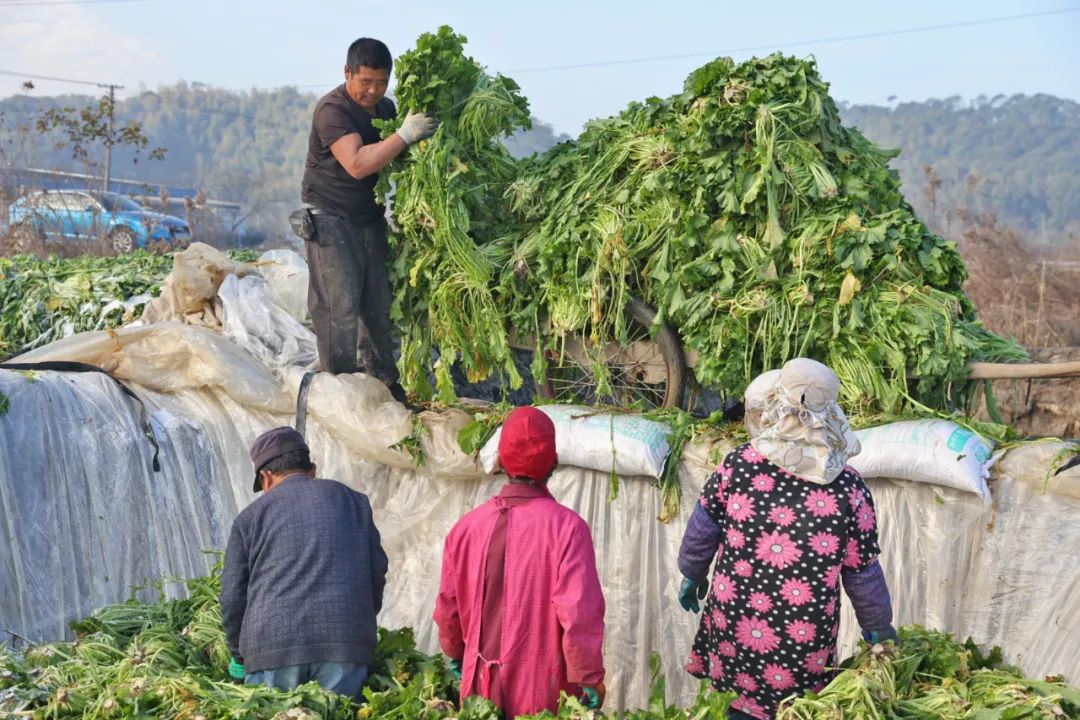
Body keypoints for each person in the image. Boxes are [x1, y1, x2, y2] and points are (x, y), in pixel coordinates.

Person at [677, 359, 895, 720]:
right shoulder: (847, 487)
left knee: (734, 706)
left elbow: (704, 524)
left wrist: (692, 572)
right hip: (801, 638)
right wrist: (878, 623)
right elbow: (862, 569)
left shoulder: (740, 465)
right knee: (794, 711)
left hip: (735, 624)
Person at [433, 407, 607, 718]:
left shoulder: (465, 529)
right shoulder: (568, 529)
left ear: (500, 460)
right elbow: (579, 613)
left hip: (479, 693)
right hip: (543, 693)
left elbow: (449, 608)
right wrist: (588, 676)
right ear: (553, 461)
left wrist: (457, 653)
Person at [299, 37, 438, 403]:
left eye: (381, 82)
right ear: (348, 73)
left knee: (378, 305)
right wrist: (405, 135)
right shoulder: (332, 109)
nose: (374, 91)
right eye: (366, 82)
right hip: (329, 218)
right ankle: (339, 390)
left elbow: (399, 155)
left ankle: (384, 386)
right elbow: (358, 164)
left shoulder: (386, 108)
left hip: (368, 219)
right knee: (338, 308)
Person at [221, 427, 389, 699]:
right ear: (312, 469)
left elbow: (232, 597)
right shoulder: (356, 503)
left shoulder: (249, 518)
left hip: (273, 649)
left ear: (265, 478)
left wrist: (238, 656)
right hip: (344, 647)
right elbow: (376, 572)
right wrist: (356, 621)